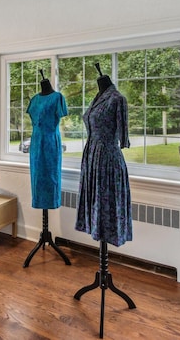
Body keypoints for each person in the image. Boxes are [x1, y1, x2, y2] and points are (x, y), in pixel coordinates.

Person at [75, 66, 132, 247]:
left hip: (107, 158)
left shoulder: (117, 99)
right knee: (94, 202)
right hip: (91, 156)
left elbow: (123, 137)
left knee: (106, 204)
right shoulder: (97, 98)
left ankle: (106, 243)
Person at [26, 74, 67, 209]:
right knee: (36, 178)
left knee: (51, 177)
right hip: (36, 143)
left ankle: (51, 203)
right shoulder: (34, 100)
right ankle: (38, 202)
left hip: (50, 142)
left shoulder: (57, 98)